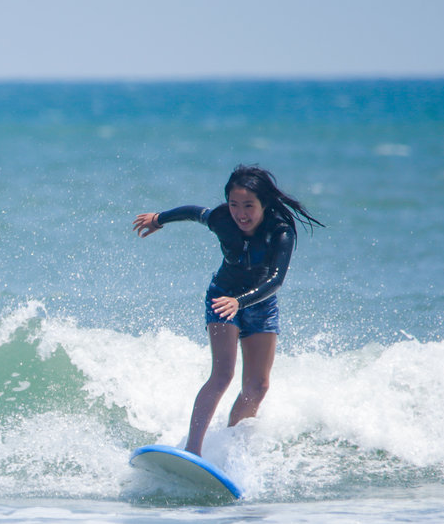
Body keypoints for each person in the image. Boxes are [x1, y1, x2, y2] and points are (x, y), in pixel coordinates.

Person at [132, 164, 323, 456]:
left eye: (249, 205)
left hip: (261, 303)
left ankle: (231, 452)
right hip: (223, 297)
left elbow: (276, 280)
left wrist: (242, 302)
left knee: (258, 386)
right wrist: (160, 219)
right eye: (234, 205)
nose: (241, 213)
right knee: (222, 374)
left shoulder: (280, 231)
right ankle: (192, 450)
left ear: (265, 204)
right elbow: (196, 213)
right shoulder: (222, 219)